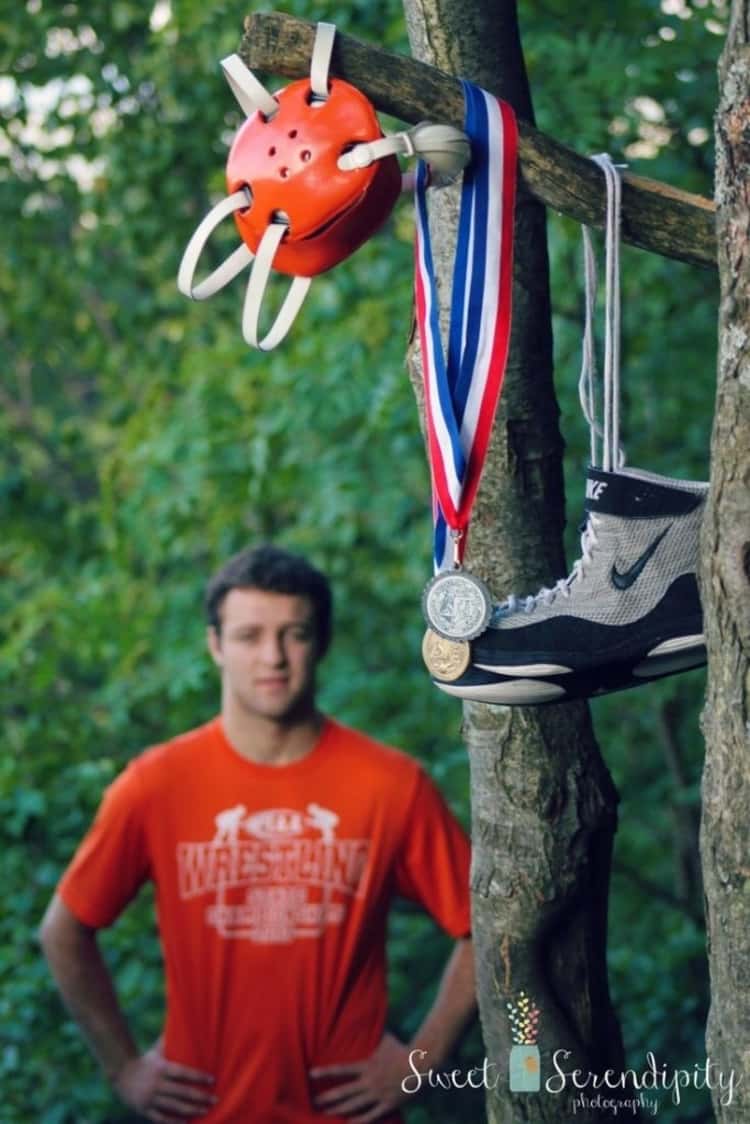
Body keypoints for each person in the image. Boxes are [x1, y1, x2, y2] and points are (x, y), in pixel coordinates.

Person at [40, 544, 476, 1124]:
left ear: (320, 643)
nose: (272, 656)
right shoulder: (156, 785)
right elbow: (63, 932)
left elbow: (485, 927)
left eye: (293, 634)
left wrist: (421, 1059)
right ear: (215, 645)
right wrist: (124, 1068)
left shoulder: (389, 785)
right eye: (248, 636)